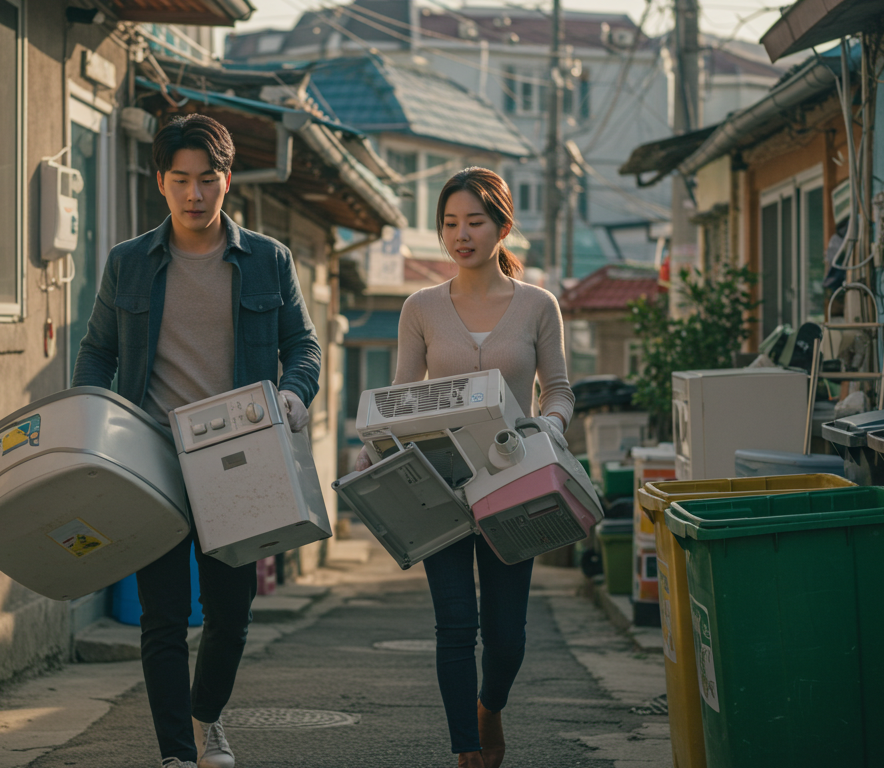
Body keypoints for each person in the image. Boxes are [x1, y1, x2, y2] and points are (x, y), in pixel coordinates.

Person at [72, 114, 321, 768]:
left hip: (239, 457)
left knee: (231, 617)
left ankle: (206, 716)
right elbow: (96, 352)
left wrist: (293, 394)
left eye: (207, 179)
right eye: (180, 179)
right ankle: (178, 755)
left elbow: (304, 346)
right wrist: (93, 425)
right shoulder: (127, 263)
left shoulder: (268, 260)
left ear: (227, 181)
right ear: (160, 181)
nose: (194, 193)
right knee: (162, 618)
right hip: (153, 458)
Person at [354, 167, 573, 768]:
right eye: (450, 223)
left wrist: (549, 427)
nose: (461, 235)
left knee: (506, 636)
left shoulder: (538, 305)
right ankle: (466, 751)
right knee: (454, 625)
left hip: (515, 485)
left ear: (502, 227)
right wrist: (374, 445)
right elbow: (400, 396)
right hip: (439, 486)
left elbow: (557, 389)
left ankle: (489, 706)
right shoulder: (420, 307)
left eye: (474, 222)